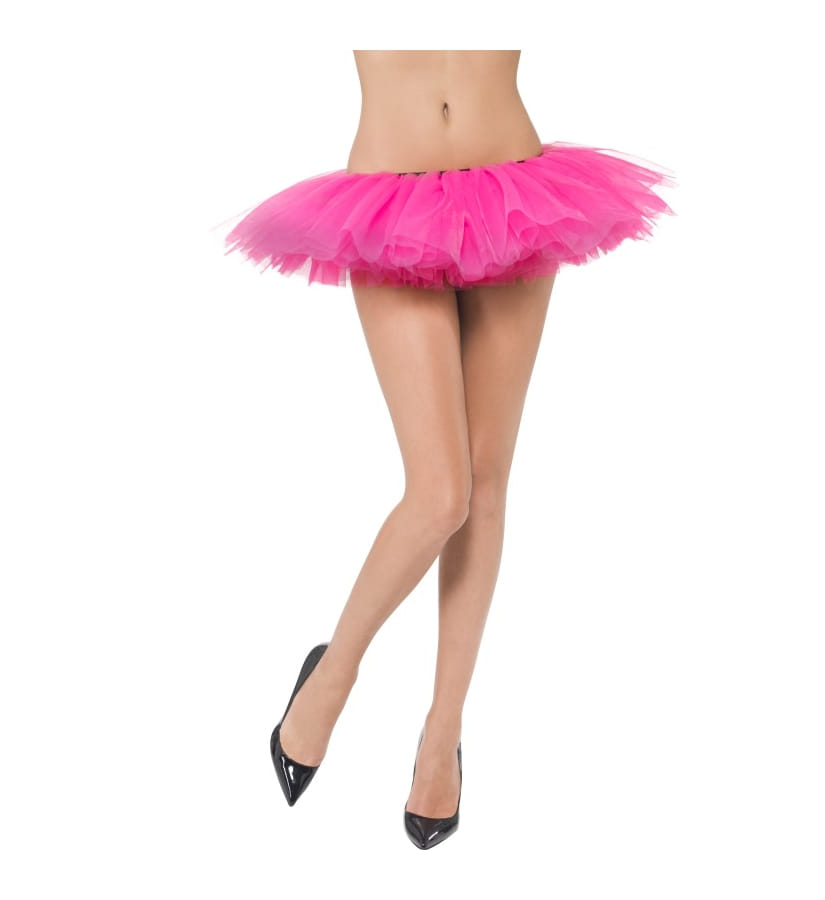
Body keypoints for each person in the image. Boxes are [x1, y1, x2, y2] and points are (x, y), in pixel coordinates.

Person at [224, 49, 676, 850]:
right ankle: (333, 673)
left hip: (512, 185)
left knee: (486, 483)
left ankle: (443, 734)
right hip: (389, 198)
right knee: (440, 492)